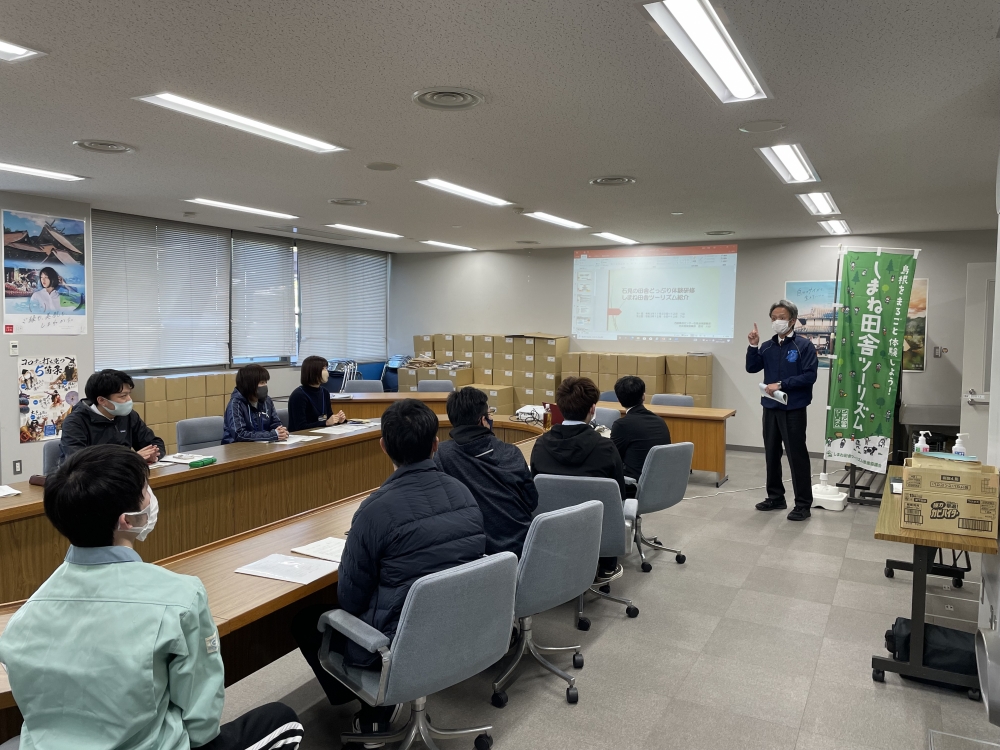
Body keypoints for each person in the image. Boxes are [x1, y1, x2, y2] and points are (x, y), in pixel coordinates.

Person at [0, 445, 303, 750]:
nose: (150, 497)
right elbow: (201, 720)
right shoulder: (182, 597)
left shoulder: (23, 619)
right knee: (283, 720)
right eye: (145, 490)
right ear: (127, 521)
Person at [291, 399, 485, 740]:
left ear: (383, 447)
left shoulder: (375, 510)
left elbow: (350, 598)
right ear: (436, 445)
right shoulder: (465, 495)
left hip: (399, 648)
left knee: (307, 619)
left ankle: (373, 706)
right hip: (461, 633)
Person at [529, 376, 626, 577]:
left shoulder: (540, 446)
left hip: (552, 531)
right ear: (592, 409)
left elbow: (534, 495)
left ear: (560, 407)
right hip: (596, 532)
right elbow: (619, 497)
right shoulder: (606, 448)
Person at [434, 386, 538, 556]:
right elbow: (532, 501)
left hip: (476, 553)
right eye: (490, 415)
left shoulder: (441, 455)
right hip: (523, 547)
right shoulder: (510, 452)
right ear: (482, 420)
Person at [746, 298, 819, 521]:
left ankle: (803, 504)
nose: (777, 321)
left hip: (793, 408)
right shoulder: (767, 346)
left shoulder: (803, 346)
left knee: (796, 455)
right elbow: (751, 368)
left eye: (782, 318)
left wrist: (782, 384)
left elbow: (809, 376)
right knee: (771, 453)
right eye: (774, 318)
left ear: (793, 320)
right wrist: (753, 345)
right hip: (770, 407)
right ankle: (776, 497)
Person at [61, 368, 165, 463]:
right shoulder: (75, 422)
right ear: (101, 400)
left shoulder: (129, 415)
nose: (129, 400)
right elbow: (79, 462)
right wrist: (131, 459)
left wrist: (153, 454)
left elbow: (154, 443)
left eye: (129, 394)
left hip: (124, 476)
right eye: (123, 396)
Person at [610, 375, 672, 491]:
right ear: (643, 396)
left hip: (634, 485)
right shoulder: (660, 421)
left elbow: (613, 457)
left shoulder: (622, 425)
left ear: (619, 400)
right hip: (660, 483)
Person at [222, 364, 288, 443]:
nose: (265, 386)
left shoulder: (267, 401)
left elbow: (275, 423)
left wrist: (281, 431)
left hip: (263, 446)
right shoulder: (236, 404)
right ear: (249, 385)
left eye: (265, 382)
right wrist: (271, 435)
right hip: (237, 449)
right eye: (262, 382)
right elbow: (239, 434)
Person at [287, 355, 347, 432]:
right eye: (324, 369)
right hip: (303, 438)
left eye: (326, 368)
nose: (327, 372)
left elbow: (329, 417)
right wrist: (326, 423)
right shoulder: (299, 395)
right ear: (313, 372)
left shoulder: (324, 392)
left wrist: (338, 420)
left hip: (322, 434)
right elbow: (300, 427)